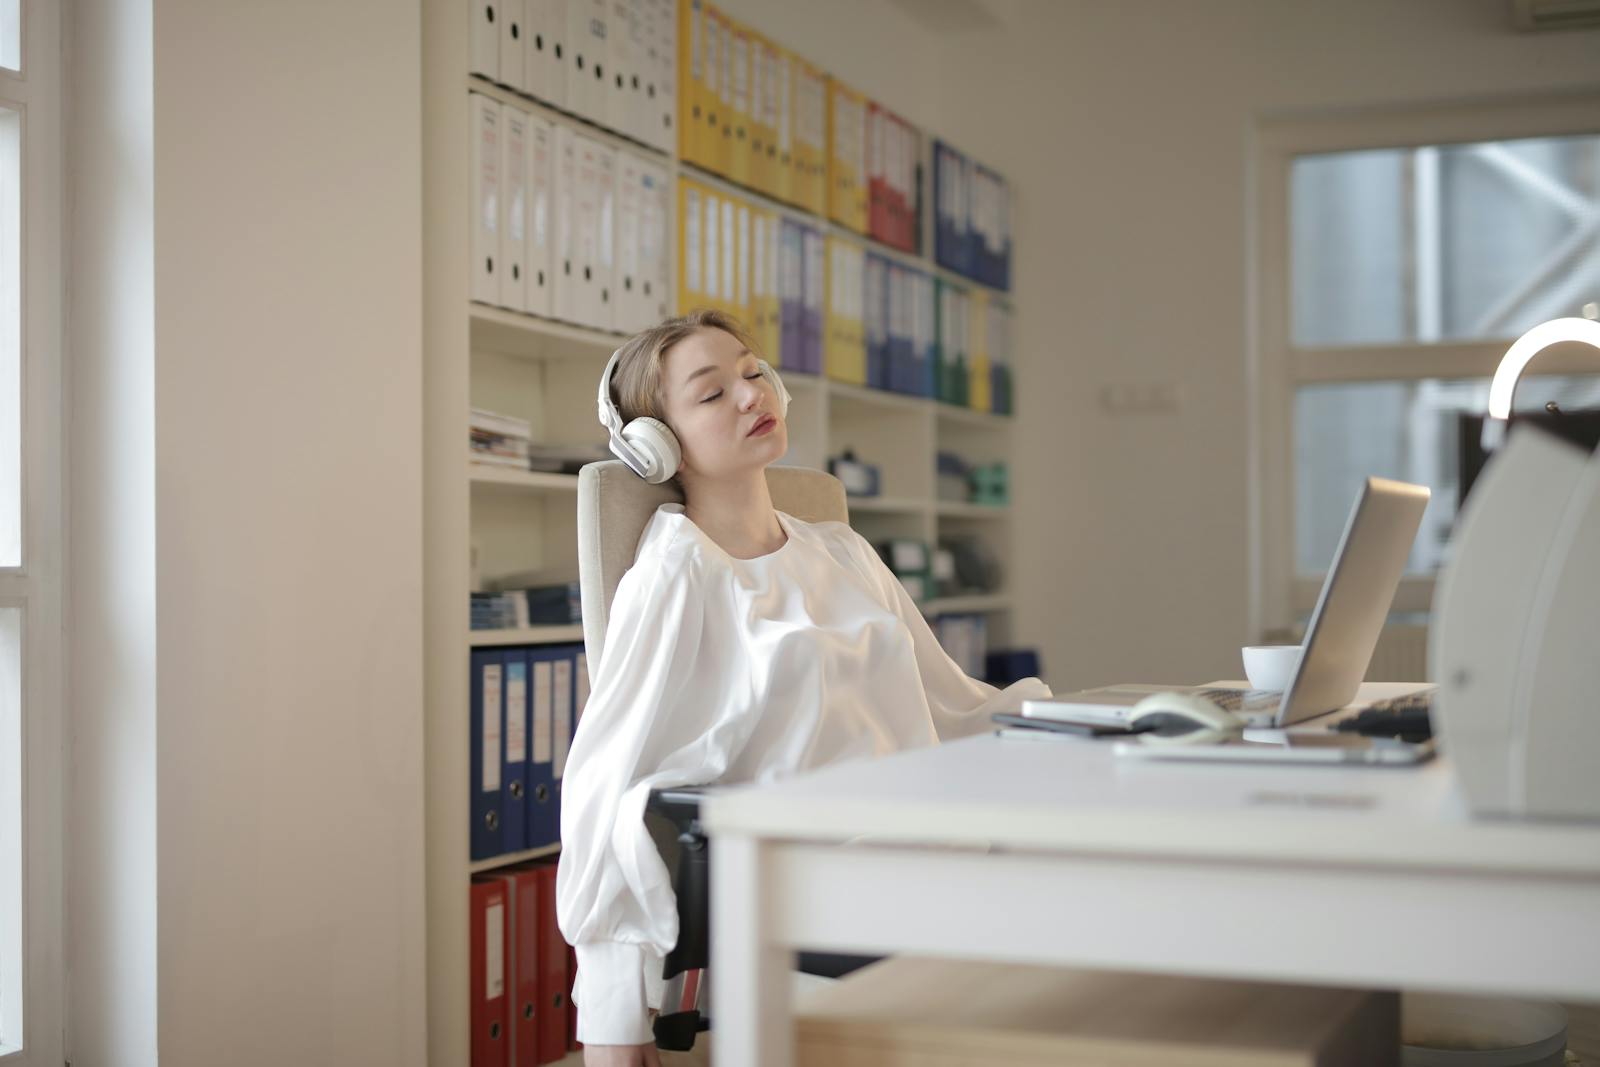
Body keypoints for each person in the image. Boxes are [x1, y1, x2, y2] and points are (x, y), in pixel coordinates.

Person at [556, 309, 1051, 1066]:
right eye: (712, 392)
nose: (752, 396)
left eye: (754, 374)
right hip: (829, 881)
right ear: (657, 446)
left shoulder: (842, 550)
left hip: (926, 851)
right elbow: (608, 783)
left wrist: (1103, 725)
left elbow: (951, 704)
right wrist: (612, 1014)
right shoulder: (679, 572)